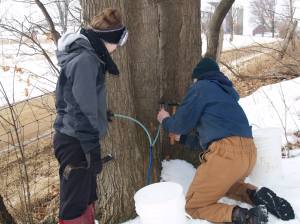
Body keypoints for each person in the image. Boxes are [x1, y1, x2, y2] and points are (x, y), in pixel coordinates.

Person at [157, 57, 294, 224]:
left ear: (198, 77)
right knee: (226, 186)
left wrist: (165, 120)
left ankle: (247, 217)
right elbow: (214, 139)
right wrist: (183, 138)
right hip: (248, 154)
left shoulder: (201, 87)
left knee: (193, 207)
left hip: (227, 155)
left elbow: (178, 125)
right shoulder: (227, 95)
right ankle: (256, 195)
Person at [53, 8, 128, 224]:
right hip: (75, 141)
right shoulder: (86, 60)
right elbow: (79, 110)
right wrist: (93, 151)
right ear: (109, 39)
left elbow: (73, 98)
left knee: (86, 197)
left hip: (76, 138)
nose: (117, 48)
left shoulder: (87, 56)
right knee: (74, 206)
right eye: (119, 41)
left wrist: (100, 114)